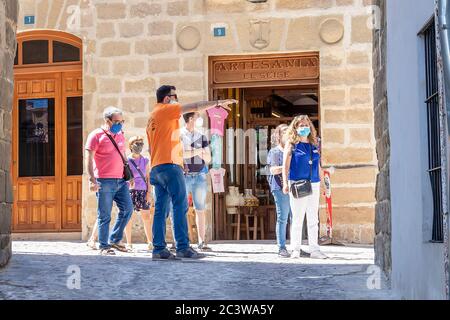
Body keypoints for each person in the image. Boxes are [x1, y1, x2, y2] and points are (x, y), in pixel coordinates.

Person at [147, 84, 237, 260]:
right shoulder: (166, 109)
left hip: (157, 167)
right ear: (167, 98)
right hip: (170, 166)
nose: (177, 98)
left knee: (160, 209)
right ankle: (183, 247)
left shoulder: (152, 116)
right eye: (174, 95)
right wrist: (218, 102)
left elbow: (152, 147)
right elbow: (195, 106)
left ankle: (158, 249)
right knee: (180, 206)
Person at [85, 106, 134, 256]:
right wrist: (92, 179)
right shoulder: (96, 135)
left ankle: (115, 239)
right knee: (104, 215)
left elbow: (123, 155)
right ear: (108, 120)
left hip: (120, 180)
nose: (120, 124)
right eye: (117, 121)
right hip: (104, 181)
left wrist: (130, 175)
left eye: (122, 121)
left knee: (127, 209)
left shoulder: (120, 134)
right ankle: (104, 246)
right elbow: (88, 158)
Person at [282, 115, 328, 260]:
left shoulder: (314, 145)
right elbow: (285, 166)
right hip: (298, 184)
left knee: (313, 218)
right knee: (297, 218)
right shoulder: (292, 145)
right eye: (301, 125)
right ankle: (295, 249)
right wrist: (285, 183)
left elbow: (319, 166)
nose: (304, 128)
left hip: (313, 183)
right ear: (295, 128)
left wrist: (324, 185)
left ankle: (314, 250)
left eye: (306, 124)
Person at [181, 112, 212, 251]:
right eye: (196, 117)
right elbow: (182, 154)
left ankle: (202, 241)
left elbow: (208, 158)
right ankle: (181, 240)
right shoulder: (180, 135)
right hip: (184, 175)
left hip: (200, 175)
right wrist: (199, 151)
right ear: (190, 119)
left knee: (200, 209)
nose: (199, 119)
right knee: (181, 208)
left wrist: (192, 151)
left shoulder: (202, 136)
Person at [124, 136, 153, 252]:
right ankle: (129, 243)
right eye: (136, 143)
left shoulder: (145, 160)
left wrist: (148, 193)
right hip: (129, 191)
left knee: (146, 217)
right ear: (131, 146)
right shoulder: (126, 161)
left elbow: (148, 178)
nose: (139, 145)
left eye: (141, 143)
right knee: (128, 217)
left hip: (142, 191)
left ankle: (150, 242)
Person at [267, 124, 292, 258]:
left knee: (295, 218)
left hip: (293, 187)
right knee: (283, 218)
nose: (287, 134)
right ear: (279, 136)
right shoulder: (275, 152)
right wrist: (287, 165)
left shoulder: (292, 150)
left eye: (288, 131)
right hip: (279, 187)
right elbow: (273, 170)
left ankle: (295, 246)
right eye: (284, 132)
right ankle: (281, 247)